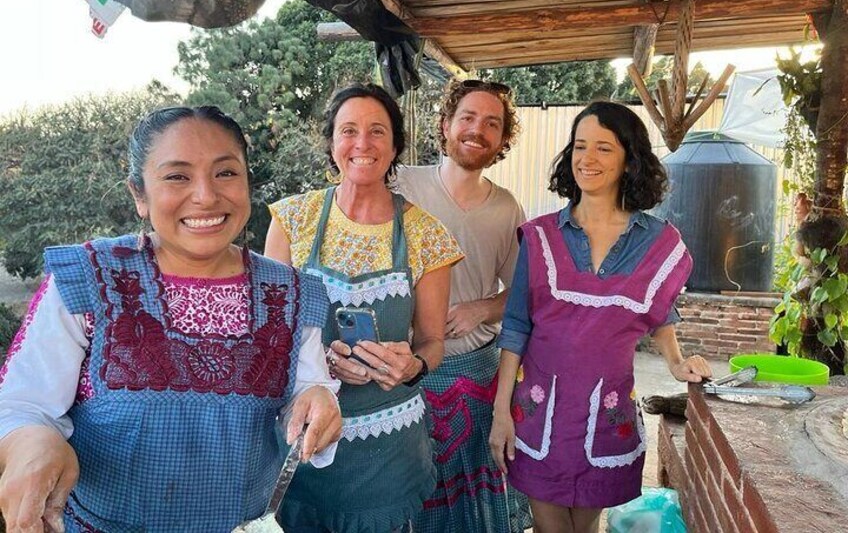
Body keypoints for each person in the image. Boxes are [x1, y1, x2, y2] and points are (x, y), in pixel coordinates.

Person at [0, 106, 342, 533]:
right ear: (139, 195)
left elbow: (307, 387)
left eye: (226, 173)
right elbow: (22, 405)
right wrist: (32, 443)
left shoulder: (290, 293)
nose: (205, 195)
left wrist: (319, 401)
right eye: (177, 176)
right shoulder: (91, 279)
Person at [489, 101, 713, 533]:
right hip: (539, 415)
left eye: (604, 149)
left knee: (587, 525)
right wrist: (501, 413)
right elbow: (516, 328)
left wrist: (675, 362)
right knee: (551, 525)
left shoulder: (658, 242)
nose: (587, 159)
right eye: (579, 146)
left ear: (630, 159)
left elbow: (660, 311)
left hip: (604, 415)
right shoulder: (540, 237)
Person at [265, 83, 464, 532]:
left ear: (395, 145)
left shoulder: (427, 235)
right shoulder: (292, 220)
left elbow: (433, 342)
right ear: (332, 142)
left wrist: (410, 365)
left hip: (388, 453)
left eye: (377, 131)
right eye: (348, 130)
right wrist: (321, 364)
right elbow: (272, 335)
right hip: (304, 442)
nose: (362, 144)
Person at [394, 78, 531, 533]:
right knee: (409, 501)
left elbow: (523, 294)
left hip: (475, 379)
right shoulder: (402, 185)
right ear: (446, 124)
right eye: (468, 118)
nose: (478, 130)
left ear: (502, 140)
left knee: (474, 513)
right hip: (402, 376)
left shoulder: (507, 209)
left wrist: (482, 308)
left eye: (492, 123)